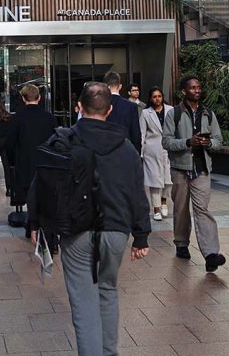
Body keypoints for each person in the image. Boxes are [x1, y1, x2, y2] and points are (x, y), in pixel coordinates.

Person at [33, 82, 150, 356]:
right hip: (116, 231)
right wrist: (141, 235)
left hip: (76, 231)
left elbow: (42, 184)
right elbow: (137, 192)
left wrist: (36, 223)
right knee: (107, 290)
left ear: (78, 107)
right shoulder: (126, 148)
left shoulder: (63, 141)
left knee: (84, 302)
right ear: (109, 110)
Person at [162, 75, 226, 271]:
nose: (197, 90)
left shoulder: (208, 114)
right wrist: (188, 142)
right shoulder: (174, 114)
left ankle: (211, 254)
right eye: (192, 87)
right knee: (181, 210)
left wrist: (209, 143)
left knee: (202, 210)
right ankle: (181, 243)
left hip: (202, 169)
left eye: (199, 87)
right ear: (184, 91)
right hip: (180, 169)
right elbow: (166, 141)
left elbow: (219, 140)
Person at [10, 84, 58, 207]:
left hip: (24, 163)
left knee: (29, 196)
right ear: (39, 97)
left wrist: (12, 160)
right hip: (45, 163)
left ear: (23, 98)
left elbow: (11, 142)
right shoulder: (50, 117)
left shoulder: (17, 117)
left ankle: (31, 217)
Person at [140, 87, 173, 221]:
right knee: (154, 180)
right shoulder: (145, 113)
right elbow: (142, 133)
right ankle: (156, 209)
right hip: (152, 150)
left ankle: (164, 201)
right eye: (154, 96)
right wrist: (141, 153)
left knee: (168, 179)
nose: (157, 99)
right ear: (150, 98)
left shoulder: (170, 110)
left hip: (169, 148)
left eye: (159, 96)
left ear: (162, 97)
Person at [103, 71, 143, 153]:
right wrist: (136, 154)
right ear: (120, 86)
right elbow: (136, 134)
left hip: (104, 151)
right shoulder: (131, 106)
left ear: (106, 86)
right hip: (125, 151)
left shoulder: (99, 104)